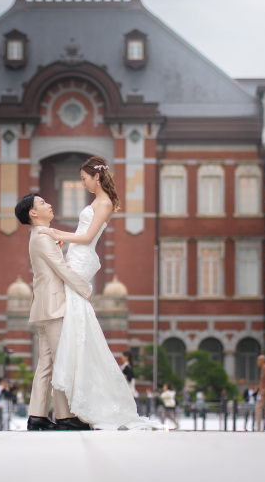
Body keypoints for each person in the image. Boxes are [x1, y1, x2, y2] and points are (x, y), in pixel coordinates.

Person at [28, 157, 164, 431]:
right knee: (73, 325)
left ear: (97, 177)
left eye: (84, 178)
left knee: (73, 321)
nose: (83, 183)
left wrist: (57, 233)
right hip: (76, 256)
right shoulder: (98, 202)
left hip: (81, 257)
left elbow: (88, 237)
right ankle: (67, 411)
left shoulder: (104, 203)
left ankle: (68, 412)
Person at [14, 191, 93, 431]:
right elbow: (61, 269)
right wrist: (85, 289)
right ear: (33, 213)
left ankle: (37, 415)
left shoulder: (40, 236)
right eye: (42, 203)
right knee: (60, 361)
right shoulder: (41, 237)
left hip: (45, 306)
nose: (49, 205)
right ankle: (65, 416)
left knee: (46, 364)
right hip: (53, 307)